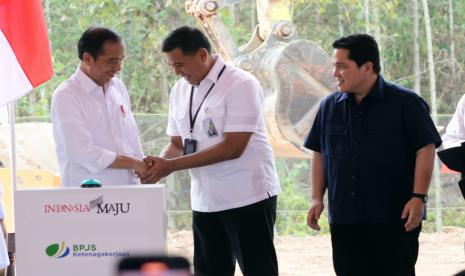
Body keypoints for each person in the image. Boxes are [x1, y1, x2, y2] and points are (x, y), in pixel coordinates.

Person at [140, 26, 281, 276]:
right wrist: (157, 167)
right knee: (209, 271)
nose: (177, 72)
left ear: (203, 54)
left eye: (181, 64)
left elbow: (233, 147)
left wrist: (170, 166)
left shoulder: (240, 84)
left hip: (247, 196)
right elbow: (177, 144)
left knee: (258, 269)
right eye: (172, 65)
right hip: (205, 200)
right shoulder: (179, 90)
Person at [304, 34, 441, 276]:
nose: (335, 73)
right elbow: (319, 153)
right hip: (345, 218)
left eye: (342, 66)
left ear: (367, 67)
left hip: (393, 217)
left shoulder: (406, 103)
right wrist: (317, 198)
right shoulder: (328, 107)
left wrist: (419, 197)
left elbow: (425, 148)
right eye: (334, 66)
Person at [51, 27, 147, 186]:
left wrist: (144, 167)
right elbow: (82, 152)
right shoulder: (66, 95)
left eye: (121, 60)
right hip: (88, 198)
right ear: (88, 58)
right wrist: (134, 164)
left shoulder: (118, 87)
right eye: (112, 61)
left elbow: (132, 138)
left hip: (129, 192)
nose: (118, 67)